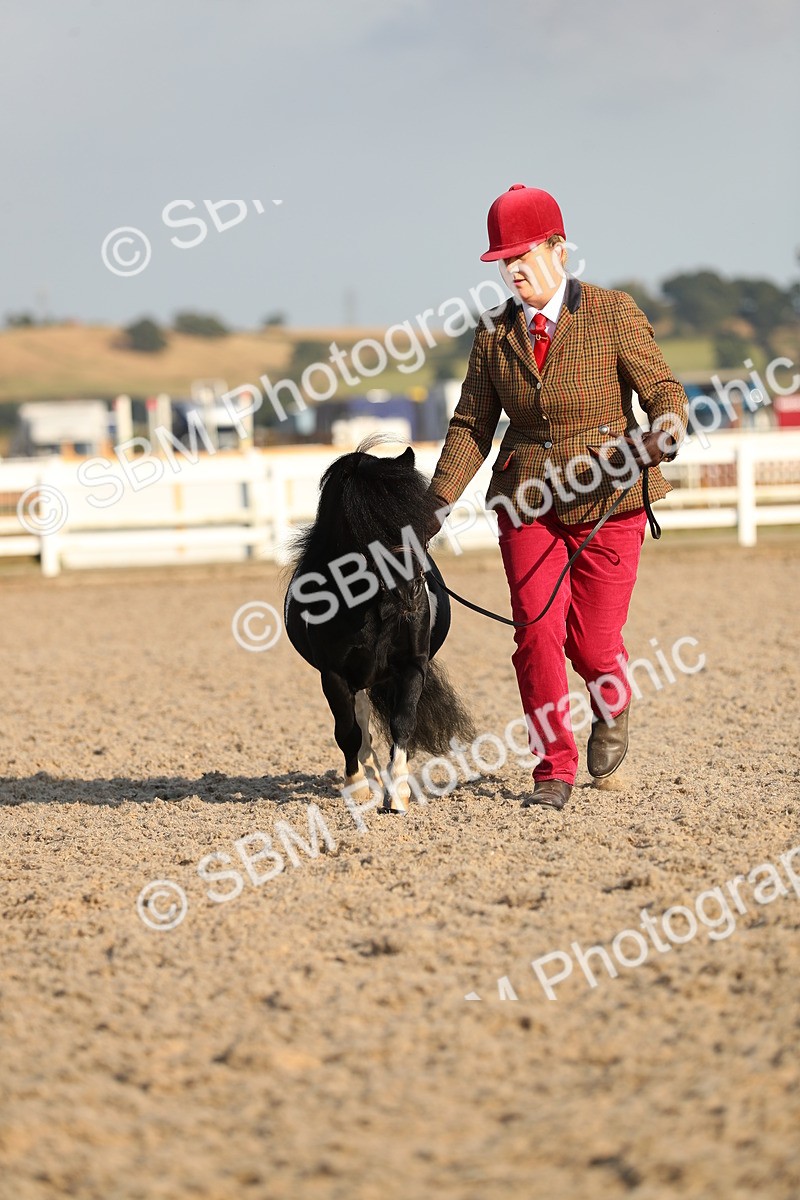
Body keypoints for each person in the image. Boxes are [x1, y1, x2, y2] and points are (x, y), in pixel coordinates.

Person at [428, 183, 688, 811]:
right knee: (536, 635)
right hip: (527, 501)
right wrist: (430, 507)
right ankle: (553, 767)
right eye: (502, 262)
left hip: (610, 498)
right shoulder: (493, 337)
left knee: (593, 645)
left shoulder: (611, 313)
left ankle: (612, 698)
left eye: (522, 257)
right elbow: (471, 427)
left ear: (559, 250)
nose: (512, 272)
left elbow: (663, 391)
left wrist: (665, 430)